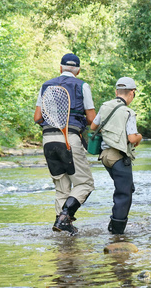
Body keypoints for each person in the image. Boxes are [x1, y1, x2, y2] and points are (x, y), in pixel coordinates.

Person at [33, 53, 96, 235]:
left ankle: (61, 231)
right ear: (78, 70)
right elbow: (92, 119)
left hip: (48, 140)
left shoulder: (45, 85)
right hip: (69, 138)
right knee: (85, 183)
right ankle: (65, 216)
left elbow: (37, 118)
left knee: (61, 187)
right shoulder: (82, 85)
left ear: (60, 68)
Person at [90, 77, 142, 234]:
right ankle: (117, 233)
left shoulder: (105, 106)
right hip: (118, 156)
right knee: (124, 193)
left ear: (116, 92)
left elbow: (93, 126)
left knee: (125, 189)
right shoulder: (128, 112)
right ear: (132, 93)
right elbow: (132, 138)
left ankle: (114, 226)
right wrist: (140, 137)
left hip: (105, 156)